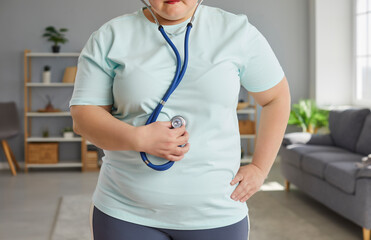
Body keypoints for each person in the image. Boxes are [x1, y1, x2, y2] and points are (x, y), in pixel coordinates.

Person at [69, 0, 291, 239]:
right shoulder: (110, 37)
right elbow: (84, 117)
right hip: (125, 213)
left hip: (217, 216)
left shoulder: (237, 32)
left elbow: (276, 98)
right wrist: (139, 138)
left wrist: (260, 168)